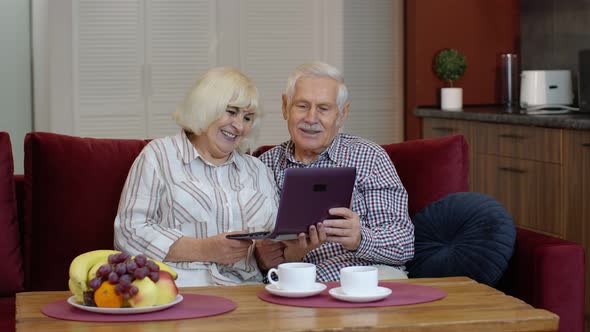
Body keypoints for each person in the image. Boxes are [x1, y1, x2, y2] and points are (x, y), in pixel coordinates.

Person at [114, 67, 279, 287]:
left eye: (247, 117)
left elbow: (269, 247)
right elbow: (129, 232)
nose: (239, 126)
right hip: (180, 290)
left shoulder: (258, 170)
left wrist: (272, 254)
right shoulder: (159, 156)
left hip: (248, 294)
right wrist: (204, 250)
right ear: (206, 107)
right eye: (231, 112)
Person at [255, 61, 414, 282]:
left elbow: (403, 245)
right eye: (302, 106)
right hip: (297, 284)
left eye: (323, 108)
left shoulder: (369, 157)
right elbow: (257, 248)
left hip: (364, 279)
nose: (311, 118)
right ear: (285, 107)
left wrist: (359, 238)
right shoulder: (264, 166)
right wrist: (261, 258)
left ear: (342, 114)